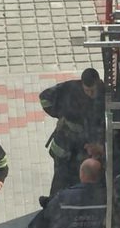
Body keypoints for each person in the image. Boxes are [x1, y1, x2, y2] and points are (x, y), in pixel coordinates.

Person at [39, 68, 105, 197]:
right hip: (64, 148)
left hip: (85, 151)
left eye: (93, 90)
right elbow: (44, 98)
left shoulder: (104, 96)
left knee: (82, 181)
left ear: (98, 83)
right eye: (87, 90)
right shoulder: (70, 88)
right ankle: (54, 203)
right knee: (60, 181)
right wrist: (61, 114)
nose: (90, 94)